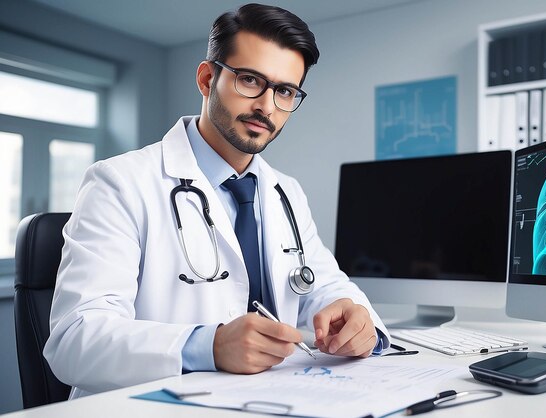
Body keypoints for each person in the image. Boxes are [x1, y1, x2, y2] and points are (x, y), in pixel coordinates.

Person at [44, 3, 390, 398]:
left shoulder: (285, 192)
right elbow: (73, 340)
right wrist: (208, 346)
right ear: (208, 79)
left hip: (271, 399)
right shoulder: (119, 183)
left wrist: (360, 322)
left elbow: (326, 287)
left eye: (284, 91)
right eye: (249, 80)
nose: (266, 105)